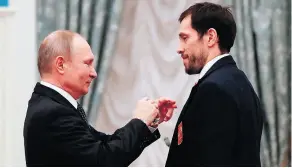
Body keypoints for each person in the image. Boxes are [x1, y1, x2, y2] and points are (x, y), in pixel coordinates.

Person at [23, 30, 176, 166]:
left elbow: (104, 144)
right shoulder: (52, 112)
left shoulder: (53, 106)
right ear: (61, 65)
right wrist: (139, 121)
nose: (94, 73)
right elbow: (104, 160)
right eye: (87, 64)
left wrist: (149, 120)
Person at [165, 2, 263, 167]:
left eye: (185, 38)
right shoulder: (237, 81)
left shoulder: (215, 89)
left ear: (210, 37)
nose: (179, 49)